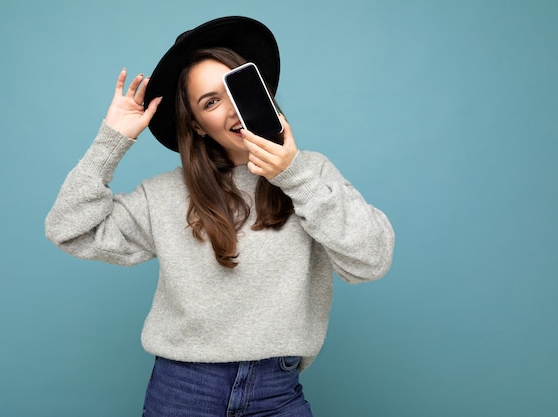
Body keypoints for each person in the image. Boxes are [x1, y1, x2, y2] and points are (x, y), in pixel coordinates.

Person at [45, 16, 395, 417]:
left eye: (236, 88)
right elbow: (67, 229)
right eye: (211, 101)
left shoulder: (311, 174)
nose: (232, 109)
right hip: (183, 391)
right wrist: (111, 140)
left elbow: (372, 260)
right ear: (197, 125)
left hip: (276, 392)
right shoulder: (164, 195)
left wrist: (292, 175)